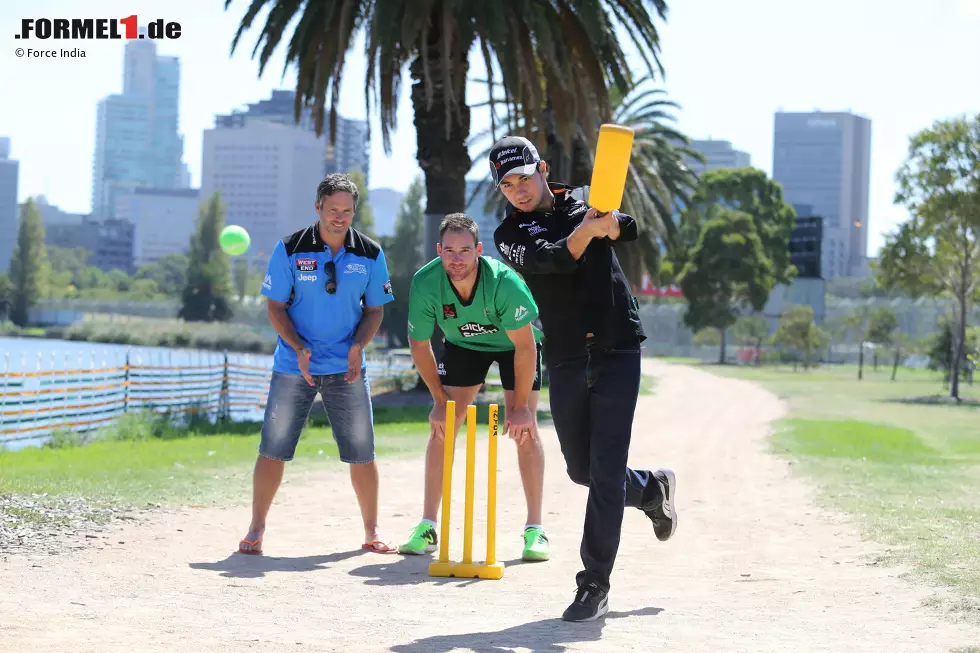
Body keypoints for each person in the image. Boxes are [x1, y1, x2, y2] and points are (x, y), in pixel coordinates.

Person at [489, 136, 678, 622]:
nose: (518, 190)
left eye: (524, 178)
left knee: (606, 471)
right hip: (568, 356)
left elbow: (629, 229)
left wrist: (609, 223)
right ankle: (653, 491)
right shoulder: (508, 235)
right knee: (583, 471)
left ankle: (594, 584)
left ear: (543, 169)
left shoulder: (586, 204)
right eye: (507, 185)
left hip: (618, 347)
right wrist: (590, 232)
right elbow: (552, 258)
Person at [238, 173, 398, 556]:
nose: (339, 217)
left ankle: (372, 532)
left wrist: (359, 346)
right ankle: (256, 529)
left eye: (347, 211)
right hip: (295, 366)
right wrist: (297, 348)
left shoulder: (371, 253)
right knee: (273, 447)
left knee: (363, 451)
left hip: (347, 368)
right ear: (318, 207)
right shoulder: (290, 248)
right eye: (332, 210)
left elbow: (375, 310)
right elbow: (275, 307)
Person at [398, 213, 551, 562]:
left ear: (479, 250)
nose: (456, 259)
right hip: (464, 343)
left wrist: (522, 406)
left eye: (464, 250)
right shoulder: (426, 283)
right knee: (443, 426)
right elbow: (419, 344)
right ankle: (427, 525)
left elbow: (526, 347)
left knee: (523, 429)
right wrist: (439, 400)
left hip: (516, 346)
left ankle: (535, 529)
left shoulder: (503, 282)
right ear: (438, 251)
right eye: (449, 250)